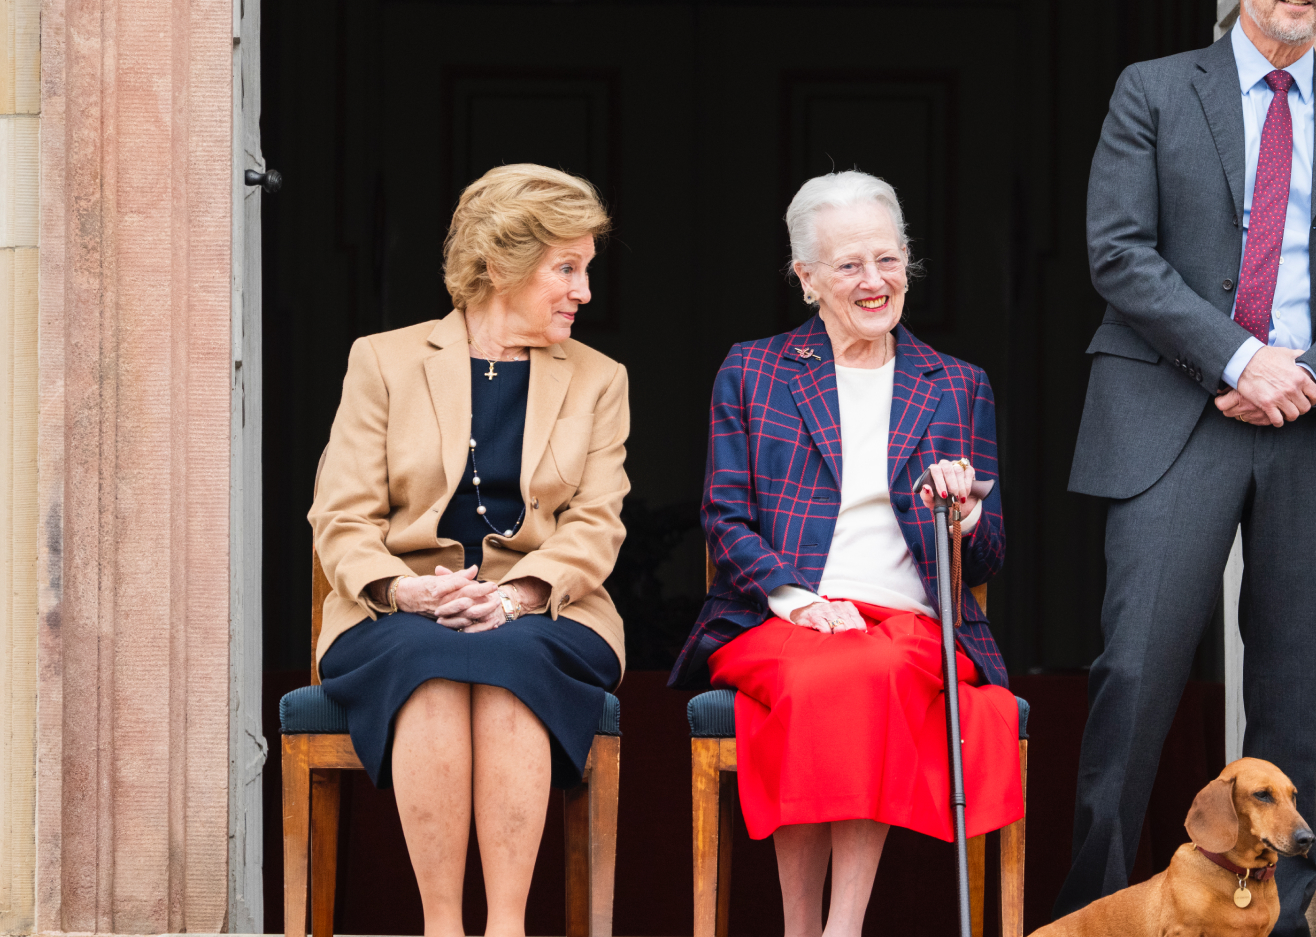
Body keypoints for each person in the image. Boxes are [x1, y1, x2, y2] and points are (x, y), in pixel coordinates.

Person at [1057, 0, 1316, 935]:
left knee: (1292, 704)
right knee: (1135, 677)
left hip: (1315, 427)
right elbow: (1119, 251)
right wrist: (1241, 358)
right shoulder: (1154, 92)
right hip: (1175, 415)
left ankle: (1279, 924)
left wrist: (1305, 374)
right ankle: (1093, 915)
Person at [669, 170, 1022, 937]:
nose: (875, 282)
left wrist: (962, 517)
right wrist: (801, 601)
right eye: (849, 265)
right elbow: (724, 520)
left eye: (888, 259)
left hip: (913, 626)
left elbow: (989, 556)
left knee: (868, 669)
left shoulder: (958, 385)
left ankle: (841, 928)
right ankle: (805, 928)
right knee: (823, 672)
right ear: (806, 279)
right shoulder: (754, 370)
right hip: (779, 616)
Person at [309, 164, 630, 937]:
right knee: (427, 656)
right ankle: (444, 926)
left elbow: (598, 522)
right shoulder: (383, 360)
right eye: (566, 268)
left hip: (549, 609)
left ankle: (508, 927)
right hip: (399, 610)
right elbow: (341, 517)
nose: (583, 291)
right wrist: (404, 591)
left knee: (512, 656)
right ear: (499, 266)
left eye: (585, 269)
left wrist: (518, 594)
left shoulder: (599, 378)